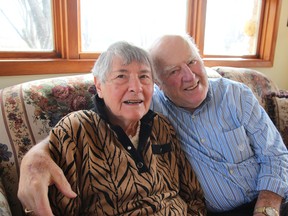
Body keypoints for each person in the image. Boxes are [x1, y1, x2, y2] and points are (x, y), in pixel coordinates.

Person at [18, 35, 288, 215]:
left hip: (273, 200)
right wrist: (35, 157)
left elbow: (275, 155)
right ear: (98, 86)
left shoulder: (230, 98)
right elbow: (67, 149)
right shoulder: (86, 125)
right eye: (121, 76)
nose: (188, 76)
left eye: (192, 61)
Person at [19, 41, 206, 215]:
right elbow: (60, 205)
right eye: (121, 76)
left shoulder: (162, 126)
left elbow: (193, 195)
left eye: (144, 77)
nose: (136, 87)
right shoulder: (77, 129)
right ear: (99, 86)